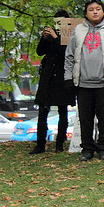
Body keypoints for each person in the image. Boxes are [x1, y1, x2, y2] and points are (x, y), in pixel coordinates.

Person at [64, 0, 104, 161]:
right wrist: (68, 77)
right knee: (85, 119)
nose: (95, 12)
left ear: (103, 11)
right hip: (83, 83)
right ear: (86, 13)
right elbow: (69, 56)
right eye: (91, 9)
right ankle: (87, 149)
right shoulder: (78, 30)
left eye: (98, 9)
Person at [29, 10, 76, 154]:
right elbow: (39, 52)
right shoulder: (50, 35)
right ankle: (40, 143)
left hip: (62, 77)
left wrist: (56, 38)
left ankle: (60, 143)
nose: (57, 25)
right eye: (55, 22)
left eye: (60, 22)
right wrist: (44, 38)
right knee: (43, 110)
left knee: (63, 111)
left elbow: (67, 52)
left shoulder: (70, 35)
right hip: (48, 76)